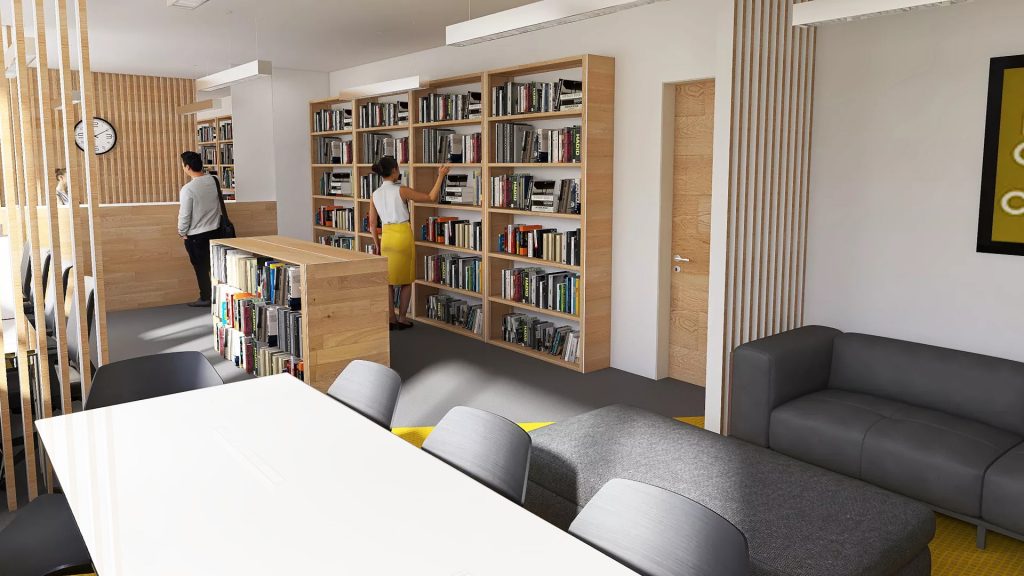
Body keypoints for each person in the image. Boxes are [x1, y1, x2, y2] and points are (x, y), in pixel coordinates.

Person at [368, 156, 449, 330]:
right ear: (394, 170)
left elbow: (372, 225)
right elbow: (431, 197)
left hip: (386, 238)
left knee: (388, 281)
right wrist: (441, 175)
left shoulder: (375, 194)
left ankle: (391, 319)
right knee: (406, 280)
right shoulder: (401, 190)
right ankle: (403, 318)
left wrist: (377, 244)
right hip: (402, 236)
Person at [178, 151, 223, 307]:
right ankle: (221, 297)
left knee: (201, 268)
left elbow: (185, 214)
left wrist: (182, 232)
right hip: (216, 231)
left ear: (187, 167)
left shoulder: (188, 189)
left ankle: (206, 298)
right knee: (217, 266)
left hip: (196, 235)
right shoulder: (215, 180)